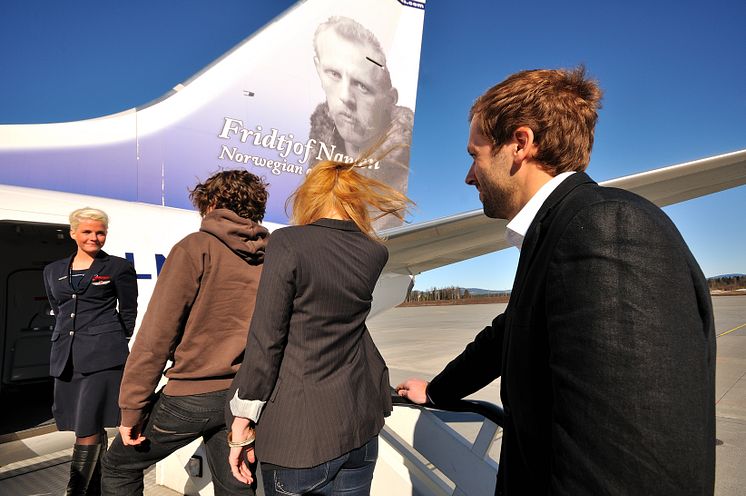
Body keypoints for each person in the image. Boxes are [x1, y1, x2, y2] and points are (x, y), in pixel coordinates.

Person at [396, 67, 716, 495]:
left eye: (475, 155)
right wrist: (437, 391)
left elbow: (632, 468)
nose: (470, 176)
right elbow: (509, 332)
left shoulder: (608, 228)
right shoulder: (560, 232)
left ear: (520, 144)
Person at [226, 155, 412, 495]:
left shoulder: (287, 242)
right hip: (359, 428)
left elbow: (267, 340)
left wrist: (242, 422)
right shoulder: (374, 253)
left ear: (310, 196)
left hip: (299, 438)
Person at [100, 170, 269, 496]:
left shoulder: (196, 248)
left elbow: (155, 336)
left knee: (118, 467)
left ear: (213, 202)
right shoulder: (271, 255)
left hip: (191, 397)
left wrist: (132, 408)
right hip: (242, 398)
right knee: (237, 482)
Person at [43, 207, 138, 495]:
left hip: (102, 357)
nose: (94, 237)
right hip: (66, 358)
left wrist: (110, 339)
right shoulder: (53, 271)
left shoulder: (117, 267)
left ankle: (77, 490)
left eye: (100, 232)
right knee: (83, 424)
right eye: (87, 231)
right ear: (73, 233)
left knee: (86, 425)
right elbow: (58, 308)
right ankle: (94, 488)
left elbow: (129, 312)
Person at [309, 16, 413, 228]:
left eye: (362, 86)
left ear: (389, 100)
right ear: (318, 69)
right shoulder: (313, 160)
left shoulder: (397, 186)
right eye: (334, 74)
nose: (345, 96)